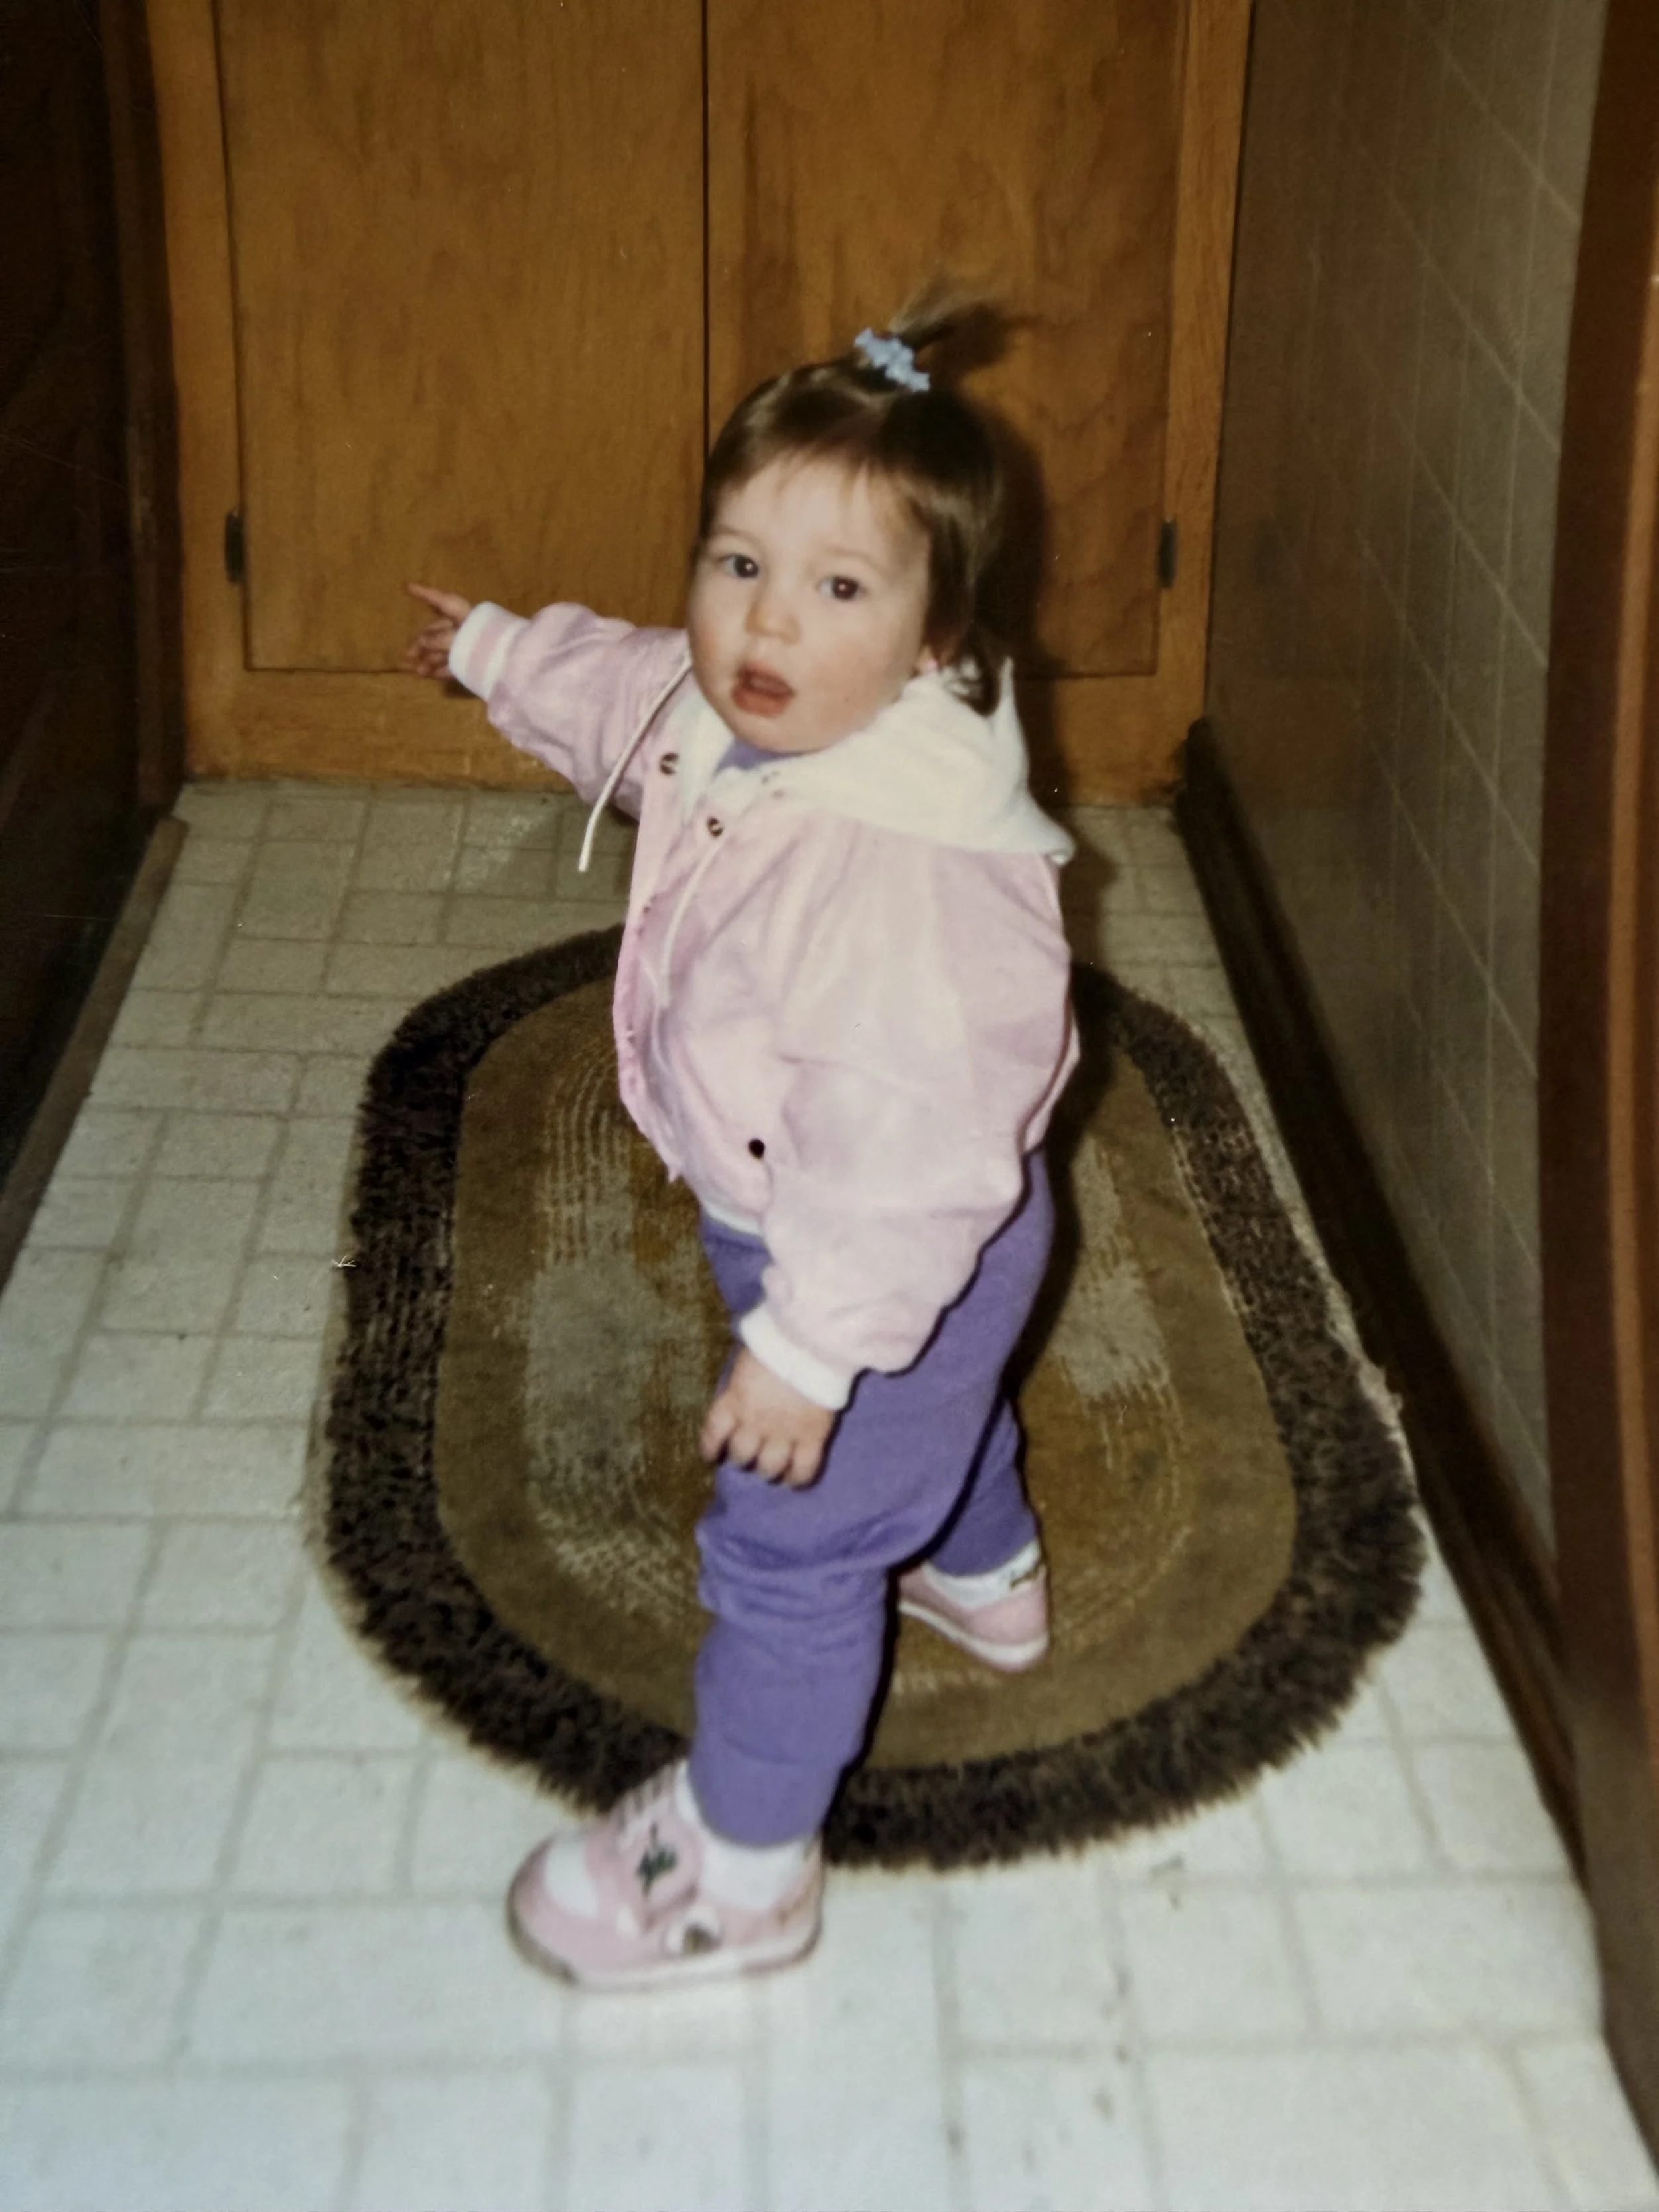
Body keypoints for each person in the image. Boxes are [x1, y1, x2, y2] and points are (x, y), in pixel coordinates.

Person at [403, 297, 1078, 1992]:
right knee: (932, 1403)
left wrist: (800, 1346)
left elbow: (918, 1163)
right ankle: (985, 1574)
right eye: (736, 563)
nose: (762, 623)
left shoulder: (911, 877)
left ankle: (747, 1865)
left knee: (788, 1541)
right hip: (818, 1205)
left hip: (877, 1235)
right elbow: (637, 693)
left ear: (938, 644)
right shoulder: (755, 706)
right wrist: (496, 650)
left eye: (838, 589)